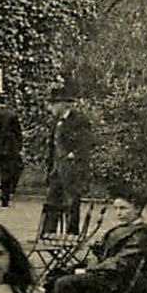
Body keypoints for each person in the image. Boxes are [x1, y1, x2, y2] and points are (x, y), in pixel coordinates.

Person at [40, 101, 94, 236]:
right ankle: (48, 232)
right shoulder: (56, 122)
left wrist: (74, 154)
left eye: (53, 105)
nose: (50, 108)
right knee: (51, 200)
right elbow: (52, 146)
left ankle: (71, 233)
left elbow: (86, 142)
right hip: (56, 168)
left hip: (73, 168)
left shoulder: (80, 120)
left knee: (72, 200)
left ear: (63, 105)